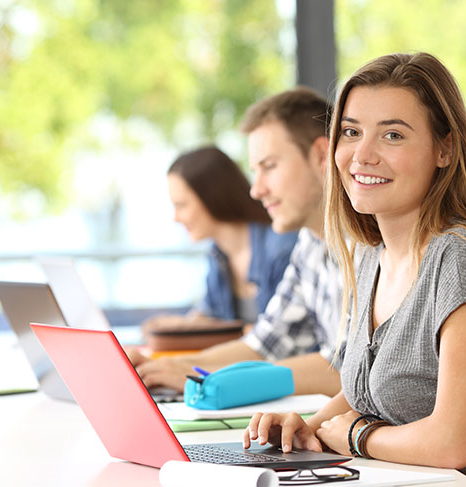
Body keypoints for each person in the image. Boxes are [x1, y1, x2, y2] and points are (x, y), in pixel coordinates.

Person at [243, 53, 466, 487]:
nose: (362, 154)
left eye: (392, 135)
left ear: (444, 149)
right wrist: (310, 426)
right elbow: (366, 390)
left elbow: (452, 442)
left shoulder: (463, 257)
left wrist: (358, 435)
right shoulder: (370, 256)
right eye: (351, 132)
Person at [130, 87, 344, 396]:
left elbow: (350, 371)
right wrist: (175, 366)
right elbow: (263, 345)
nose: (256, 190)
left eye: (269, 166)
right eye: (255, 171)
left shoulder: (372, 246)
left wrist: (207, 377)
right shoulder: (309, 247)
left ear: (321, 156)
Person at [141, 147, 297, 335]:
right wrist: (180, 325)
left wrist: (216, 331)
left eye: (181, 205)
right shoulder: (218, 255)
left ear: (211, 197)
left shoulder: (282, 248)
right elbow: (209, 314)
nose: (176, 218)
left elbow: (281, 337)